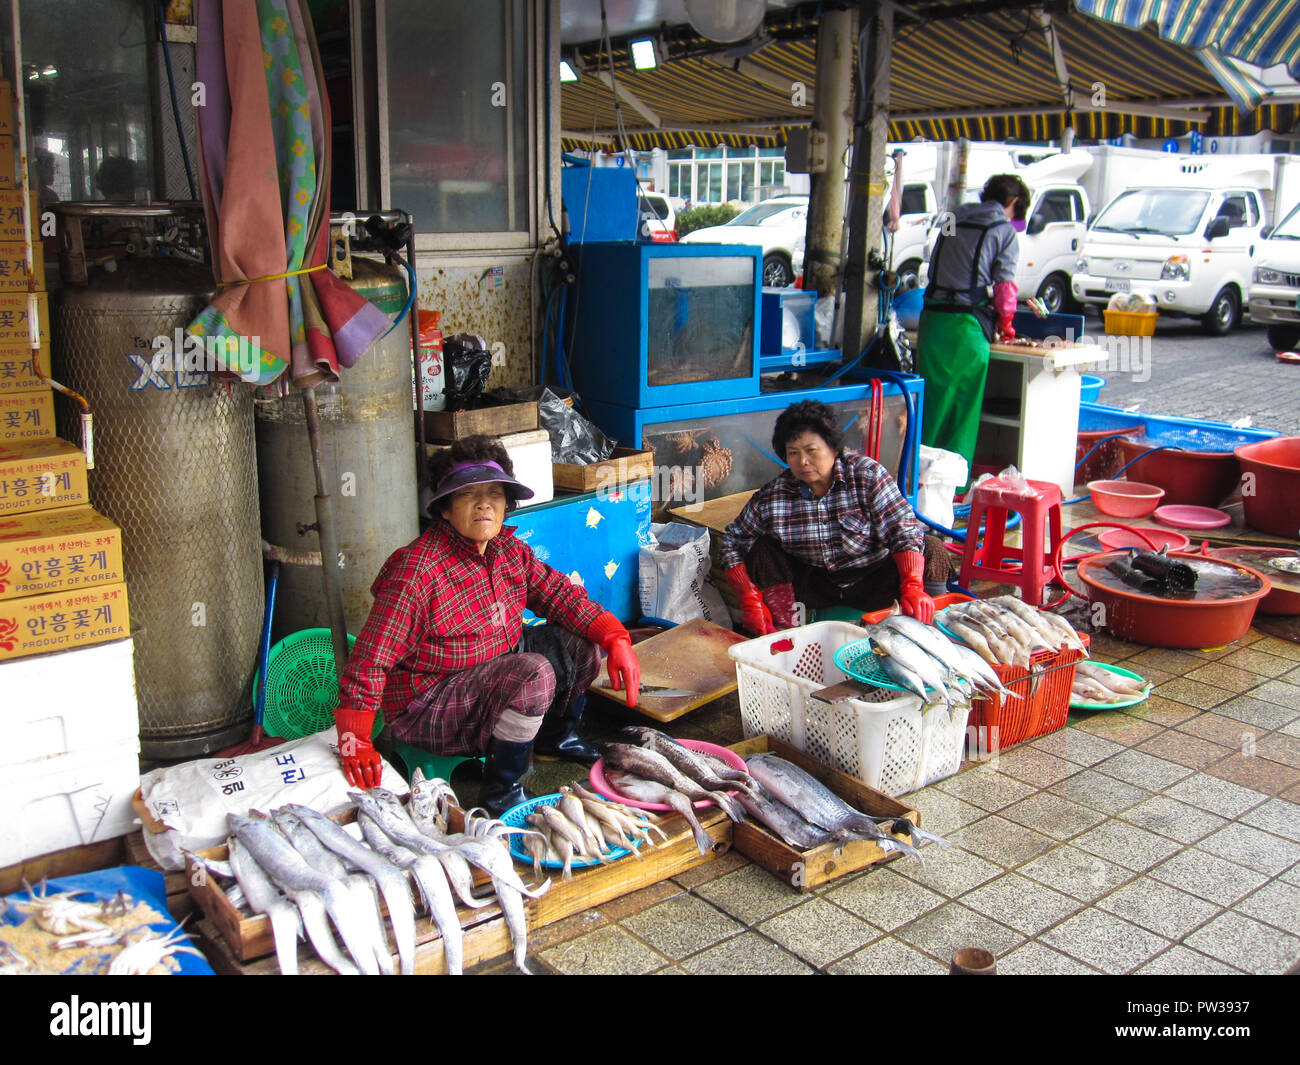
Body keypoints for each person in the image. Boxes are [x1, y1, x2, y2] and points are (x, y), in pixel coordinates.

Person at [334, 435, 641, 815]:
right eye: (468, 494)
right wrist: (355, 737)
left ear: (506, 503)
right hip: (430, 701)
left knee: (583, 643)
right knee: (532, 673)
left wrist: (617, 637)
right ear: (444, 508)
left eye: (495, 493)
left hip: (495, 672)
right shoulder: (416, 571)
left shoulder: (509, 552)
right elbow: (370, 659)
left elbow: (562, 596)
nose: (484, 504)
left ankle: (553, 738)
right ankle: (501, 793)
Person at [719, 400, 945, 634]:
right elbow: (732, 544)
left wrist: (912, 585)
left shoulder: (867, 476)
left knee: (933, 548)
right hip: (816, 587)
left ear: (834, 449)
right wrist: (749, 598)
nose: (803, 461)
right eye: (793, 453)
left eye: (811, 450)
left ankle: (928, 628)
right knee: (761, 549)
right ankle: (785, 632)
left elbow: (904, 529)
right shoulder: (774, 497)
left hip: (875, 579)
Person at [915, 174, 1029, 474]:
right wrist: (1007, 324)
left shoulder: (952, 218)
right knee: (961, 410)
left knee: (930, 405)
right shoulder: (1003, 230)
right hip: (965, 329)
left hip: (932, 323)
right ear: (1013, 203)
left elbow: (938, 258)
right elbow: (1005, 286)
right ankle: (951, 487)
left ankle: (916, 477)